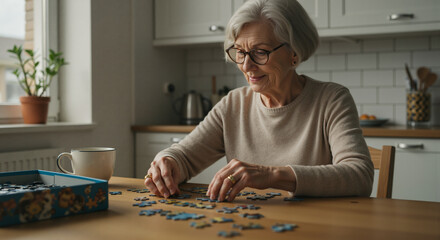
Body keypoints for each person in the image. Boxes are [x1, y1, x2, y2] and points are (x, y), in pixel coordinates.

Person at [144, 0, 374, 202]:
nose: (246, 66)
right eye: (240, 52)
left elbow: (359, 175)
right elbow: (184, 157)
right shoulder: (233, 104)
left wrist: (272, 175)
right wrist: (167, 162)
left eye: (260, 52)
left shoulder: (332, 99)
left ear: (294, 53)